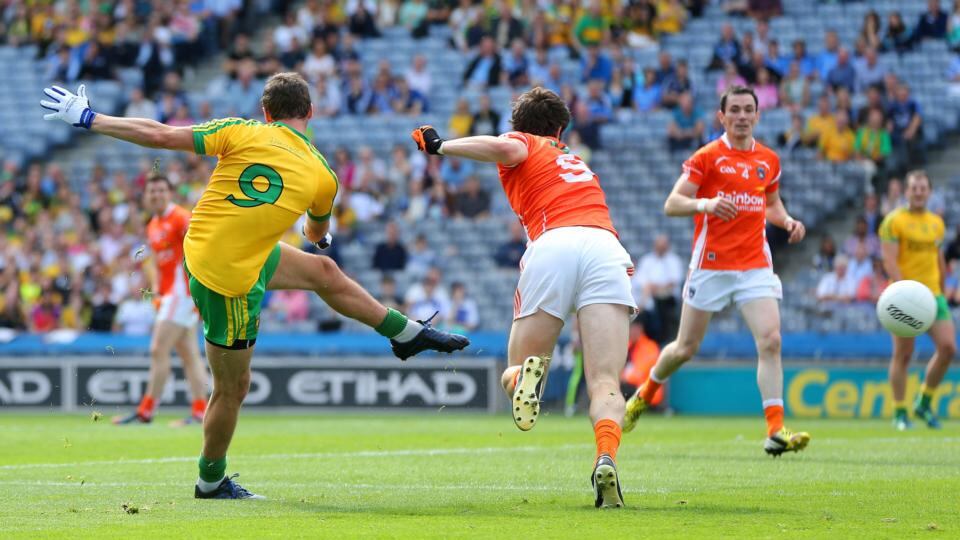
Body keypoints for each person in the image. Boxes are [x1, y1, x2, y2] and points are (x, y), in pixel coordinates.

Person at [41, 76, 469, 500]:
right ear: (310, 113)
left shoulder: (240, 130)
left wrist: (90, 118)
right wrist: (318, 233)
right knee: (233, 388)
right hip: (227, 279)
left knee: (324, 273)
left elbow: (160, 135)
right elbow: (315, 232)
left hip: (210, 249)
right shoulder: (323, 174)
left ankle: (404, 333)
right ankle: (210, 481)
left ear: (266, 113)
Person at [411, 86, 636, 508]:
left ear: (519, 125)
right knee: (605, 381)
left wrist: (441, 147)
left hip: (554, 244)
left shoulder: (525, 141)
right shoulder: (576, 161)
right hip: (606, 247)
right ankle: (605, 455)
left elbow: (506, 149)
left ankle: (522, 380)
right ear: (561, 129)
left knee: (516, 367)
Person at [621, 86, 810, 457]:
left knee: (771, 340)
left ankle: (775, 430)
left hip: (754, 264)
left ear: (758, 115)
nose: (742, 116)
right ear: (722, 117)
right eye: (734, 110)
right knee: (685, 348)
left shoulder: (768, 160)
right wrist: (706, 204)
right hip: (711, 265)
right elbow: (672, 203)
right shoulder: (707, 157)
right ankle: (645, 393)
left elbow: (770, 203)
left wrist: (787, 221)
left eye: (748, 109)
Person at [113, 169, 210, 428]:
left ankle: (146, 411)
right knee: (189, 354)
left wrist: (201, 292)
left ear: (170, 193)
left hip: (183, 294)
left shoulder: (181, 218)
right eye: (152, 191)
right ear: (145, 196)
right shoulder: (153, 224)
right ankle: (201, 412)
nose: (156, 195)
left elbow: (200, 250)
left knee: (158, 349)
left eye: (161, 190)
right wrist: (157, 290)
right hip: (171, 295)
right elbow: (158, 262)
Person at [879, 170, 955, 431]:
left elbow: (938, 258)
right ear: (906, 192)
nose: (919, 192)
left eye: (923, 188)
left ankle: (923, 401)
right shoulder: (893, 221)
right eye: (914, 188)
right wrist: (903, 293)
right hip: (905, 297)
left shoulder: (936, 223)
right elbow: (889, 260)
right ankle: (900, 411)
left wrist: (943, 288)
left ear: (930, 192)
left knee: (948, 348)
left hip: (933, 295)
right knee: (904, 354)